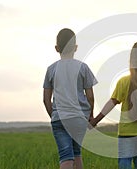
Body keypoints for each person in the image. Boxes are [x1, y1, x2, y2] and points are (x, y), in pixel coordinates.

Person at [90, 42, 137, 169]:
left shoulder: (124, 81)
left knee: (125, 158)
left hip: (126, 130)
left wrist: (96, 120)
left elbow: (112, 103)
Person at [43, 28, 97, 169]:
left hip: (59, 117)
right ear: (76, 47)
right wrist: (90, 115)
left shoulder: (51, 69)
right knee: (77, 153)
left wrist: (53, 115)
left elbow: (46, 99)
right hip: (79, 118)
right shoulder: (83, 67)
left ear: (57, 48)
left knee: (66, 156)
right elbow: (90, 97)